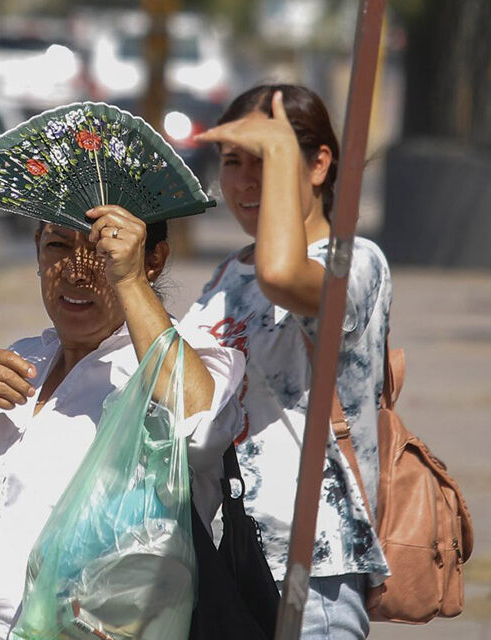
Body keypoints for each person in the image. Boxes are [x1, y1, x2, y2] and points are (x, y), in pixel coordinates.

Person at [0, 210, 245, 640]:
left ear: (152, 259)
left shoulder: (176, 362)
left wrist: (130, 281)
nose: (77, 272)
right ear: (37, 251)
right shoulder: (17, 364)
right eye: (59, 246)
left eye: (102, 251)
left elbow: (204, 423)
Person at [185, 84, 392, 640]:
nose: (246, 181)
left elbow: (283, 276)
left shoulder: (353, 262)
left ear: (318, 163)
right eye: (233, 163)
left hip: (310, 569)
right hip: (227, 561)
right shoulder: (230, 271)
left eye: (267, 161)